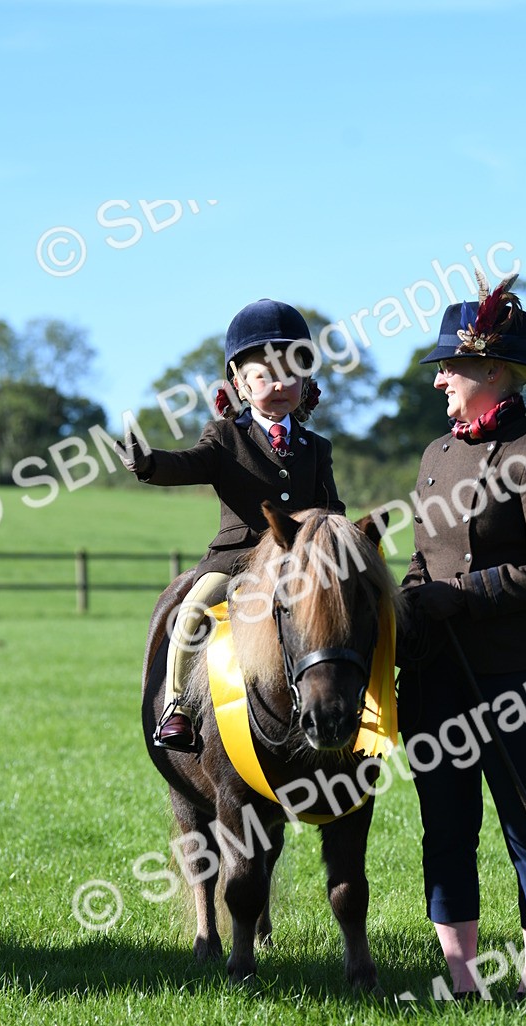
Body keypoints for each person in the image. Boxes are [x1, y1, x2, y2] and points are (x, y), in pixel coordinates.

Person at [397, 273, 526, 1001]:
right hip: (437, 676)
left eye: (452, 365)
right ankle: (461, 981)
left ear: (493, 370)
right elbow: (421, 560)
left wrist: (466, 595)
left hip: (520, 676)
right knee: (445, 829)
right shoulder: (435, 456)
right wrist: (412, 605)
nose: (441, 378)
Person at [115, 298, 345, 751]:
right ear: (239, 381)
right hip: (236, 561)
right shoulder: (225, 436)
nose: (278, 384)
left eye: (290, 373)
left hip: (300, 562)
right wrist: (148, 463)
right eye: (263, 374)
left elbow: (330, 507)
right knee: (193, 611)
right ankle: (178, 706)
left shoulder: (317, 447)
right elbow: (188, 464)